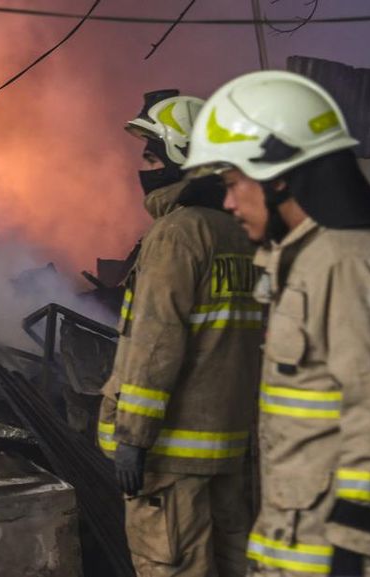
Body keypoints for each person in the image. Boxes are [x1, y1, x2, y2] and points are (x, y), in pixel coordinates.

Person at [183, 69, 370, 577]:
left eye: (234, 183)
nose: (228, 202)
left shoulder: (350, 262)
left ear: (279, 175)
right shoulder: (316, 258)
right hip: (305, 552)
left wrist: (351, 548)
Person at [97, 90, 262, 577]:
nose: (144, 169)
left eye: (152, 157)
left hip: (170, 458)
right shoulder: (242, 234)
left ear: (182, 159)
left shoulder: (176, 234)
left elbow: (155, 342)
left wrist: (133, 437)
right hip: (229, 450)